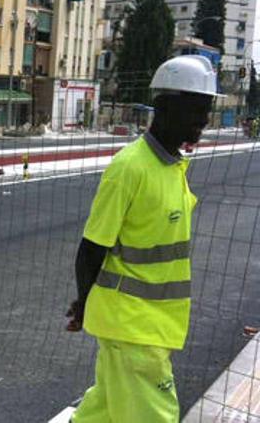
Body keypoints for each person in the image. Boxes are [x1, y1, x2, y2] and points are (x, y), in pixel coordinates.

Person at [66, 55, 220, 423]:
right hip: (133, 327)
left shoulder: (172, 166)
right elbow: (92, 248)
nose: (203, 120)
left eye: (207, 110)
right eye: (196, 110)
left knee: (104, 409)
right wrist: (85, 303)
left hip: (150, 323)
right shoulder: (130, 168)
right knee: (156, 415)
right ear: (164, 107)